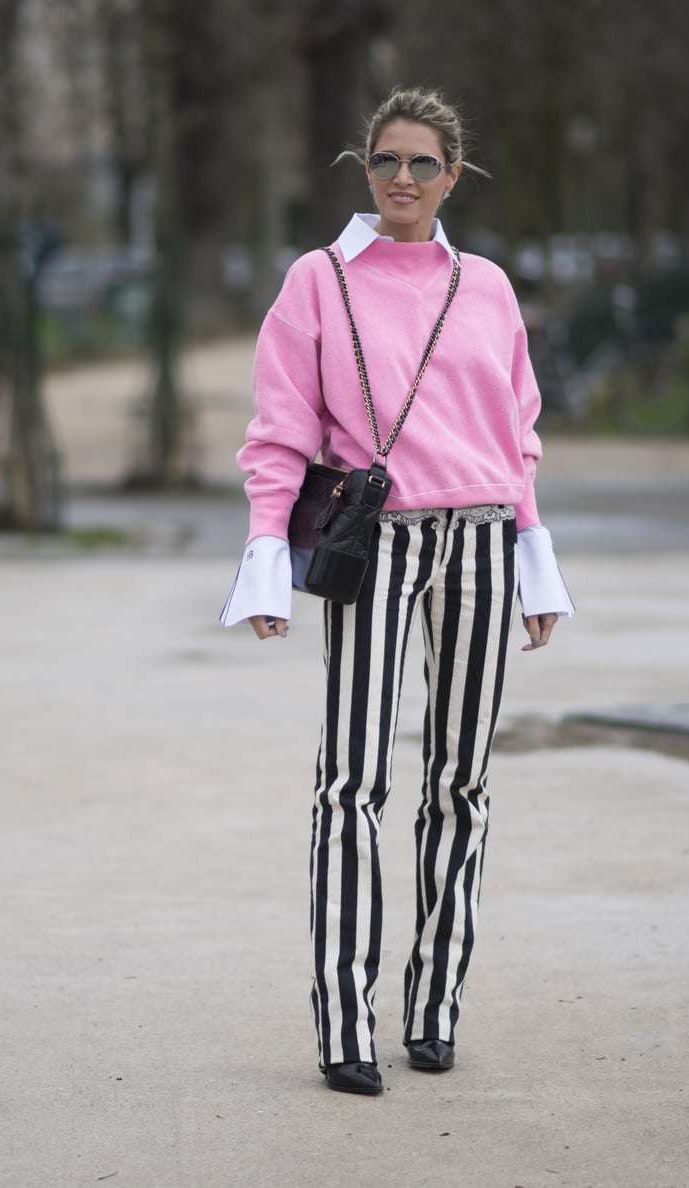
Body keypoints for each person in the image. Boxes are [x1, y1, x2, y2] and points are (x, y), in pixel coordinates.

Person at [221, 85, 574, 1096]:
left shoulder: (489, 288)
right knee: (353, 782)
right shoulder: (318, 281)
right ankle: (345, 1025)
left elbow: (520, 435)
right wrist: (264, 563)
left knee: (461, 783)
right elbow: (280, 431)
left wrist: (533, 555)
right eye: (387, 162)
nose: (404, 179)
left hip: (478, 541)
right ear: (363, 171)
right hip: (372, 544)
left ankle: (435, 1007)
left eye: (424, 164)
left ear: (452, 176)